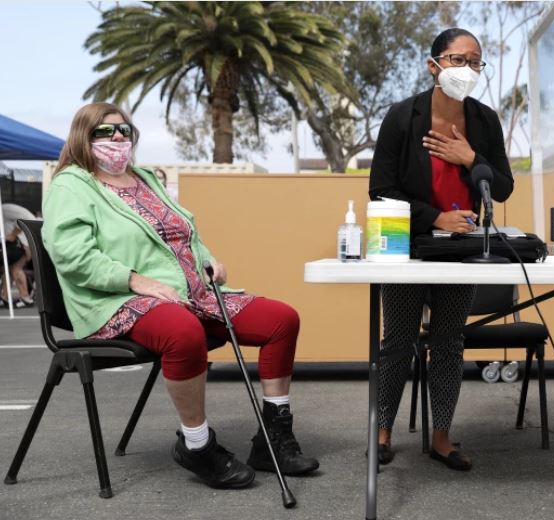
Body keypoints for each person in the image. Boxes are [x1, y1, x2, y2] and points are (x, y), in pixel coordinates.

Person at [43, 102, 319, 489]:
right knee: (183, 332)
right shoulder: (70, 184)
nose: (118, 138)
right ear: (82, 138)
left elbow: (183, 232)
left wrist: (209, 260)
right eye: (105, 132)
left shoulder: (144, 179)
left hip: (191, 292)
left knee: (281, 319)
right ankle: (197, 445)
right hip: (118, 299)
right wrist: (135, 280)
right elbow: (72, 256)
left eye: (124, 130)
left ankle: (273, 436)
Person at [368, 28, 513, 471]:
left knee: (449, 342)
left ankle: (442, 436)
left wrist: (470, 159)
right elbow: (381, 190)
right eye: (457, 59)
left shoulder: (485, 121)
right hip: (409, 247)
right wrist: (434, 217)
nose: (466, 69)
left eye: (475, 62)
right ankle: (383, 431)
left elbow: (502, 187)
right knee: (398, 341)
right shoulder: (401, 116)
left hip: (463, 250)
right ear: (433, 65)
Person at [1, 204, 35, 308]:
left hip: (23, 242)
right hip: (17, 243)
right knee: (7, 268)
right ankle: (4, 297)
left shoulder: (4, 209)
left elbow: (25, 218)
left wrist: (13, 234)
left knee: (16, 269)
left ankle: (26, 299)